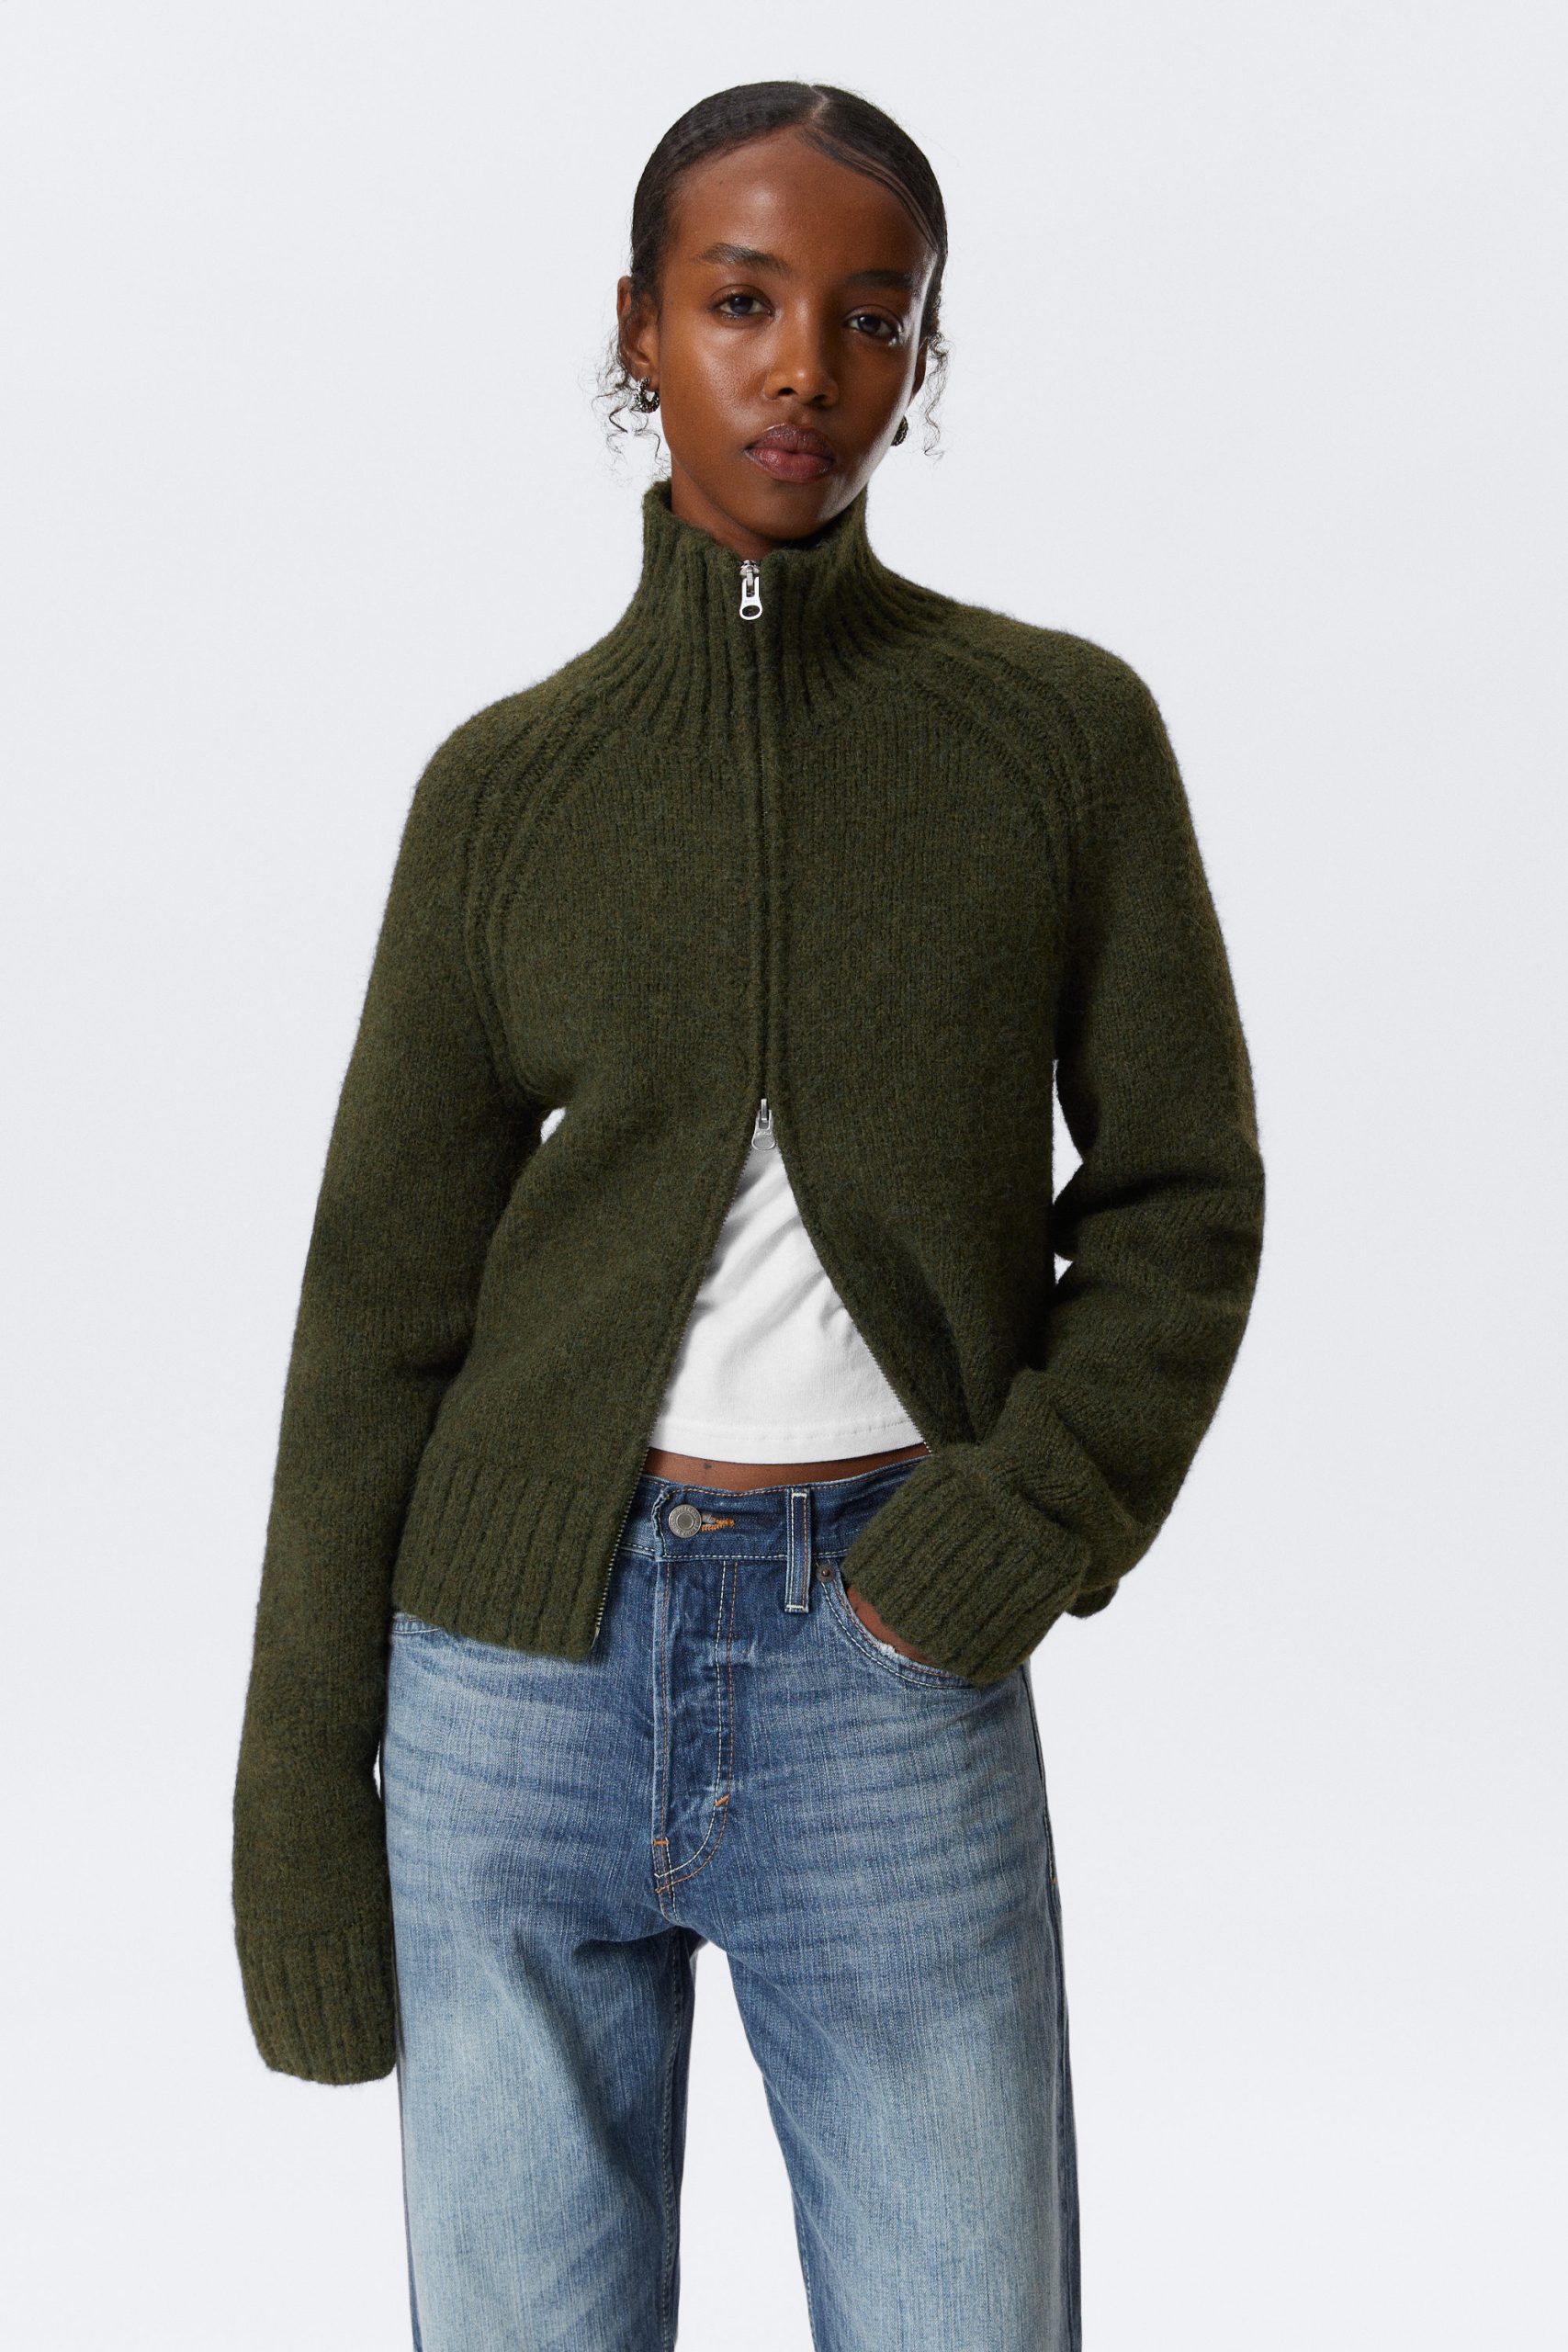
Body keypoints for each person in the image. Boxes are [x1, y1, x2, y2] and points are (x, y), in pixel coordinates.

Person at [231, 78, 1266, 2352]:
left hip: (884, 1659)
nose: (803, 365)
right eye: (739, 300)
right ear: (638, 327)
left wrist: (1015, 1526)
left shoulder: (1055, 738)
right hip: (510, 1677)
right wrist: (297, 1801)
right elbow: (373, 1319)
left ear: (918, 354)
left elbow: (1181, 1199)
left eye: (870, 316)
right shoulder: (506, 791)